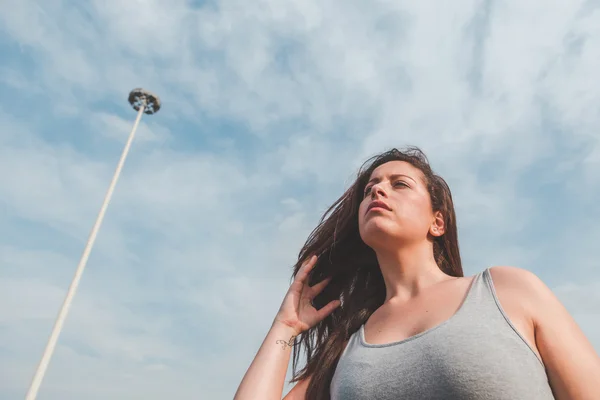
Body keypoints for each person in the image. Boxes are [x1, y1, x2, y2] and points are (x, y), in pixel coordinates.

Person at [234, 147, 600, 400]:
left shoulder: (508, 290)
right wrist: (286, 327)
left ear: (437, 221)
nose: (377, 189)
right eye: (369, 188)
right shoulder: (347, 345)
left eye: (399, 184)